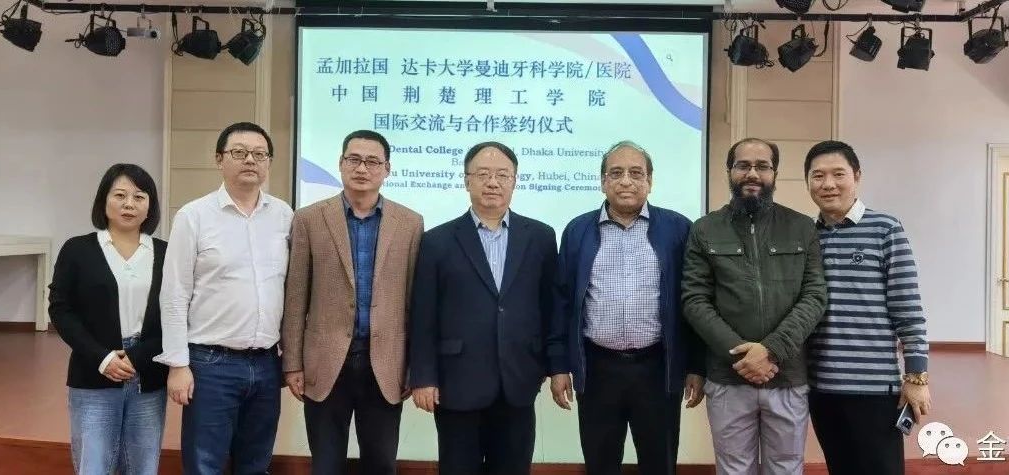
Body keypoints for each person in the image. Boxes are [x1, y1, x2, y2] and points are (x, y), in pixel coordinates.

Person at [548, 140, 705, 475]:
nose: (626, 181)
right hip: (597, 368)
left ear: (650, 181)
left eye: (636, 173)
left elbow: (693, 301)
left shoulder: (678, 229)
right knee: (600, 463)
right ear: (603, 181)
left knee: (659, 463)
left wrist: (696, 365)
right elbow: (561, 302)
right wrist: (559, 366)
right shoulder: (577, 231)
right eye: (616, 173)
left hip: (657, 367)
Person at [407, 141, 563, 475]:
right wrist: (423, 377)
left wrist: (556, 367)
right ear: (467, 181)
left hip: (519, 380)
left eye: (502, 175)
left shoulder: (540, 237)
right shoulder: (437, 241)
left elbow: (551, 308)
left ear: (514, 181)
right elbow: (423, 315)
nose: (493, 182)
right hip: (456, 382)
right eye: (483, 174)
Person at [281, 130, 424, 475]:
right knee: (326, 464)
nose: (362, 168)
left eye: (372, 161)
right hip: (325, 362)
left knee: (381, 463)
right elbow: (296, 297)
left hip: (386, 364)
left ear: (387, 169)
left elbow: (414, 303)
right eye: (354, 159)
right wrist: (292, 363)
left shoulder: (410, 223)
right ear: (341, 163)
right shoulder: (309, 219)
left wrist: (414, 366)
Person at [681, 137, 827, 475]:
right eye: (743, 165)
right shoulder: (705, 229)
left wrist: (771, 350)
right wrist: (742, 356)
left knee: (786, 468)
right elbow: (694, 299)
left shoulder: (802, 227)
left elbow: (815, 295)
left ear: (775, 173)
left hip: (787, 375)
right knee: (733, 469)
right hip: (728, 376)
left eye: (762, 166)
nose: (752, 173)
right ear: (729, 172)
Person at [154, 122, 293, 475]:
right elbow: (174, 294)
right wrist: (177, 364)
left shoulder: (284, 215)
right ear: (219, 159)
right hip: (211, 364)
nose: (250, 160)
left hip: (266, 363)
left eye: (260, 154)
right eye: (239, 152)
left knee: (256, 463)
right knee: (205, 465)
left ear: (269, 162)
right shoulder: (194, 216)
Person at [803, 140, 930, 475]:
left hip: (874, 390)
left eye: (838, 174)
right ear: (808, 182)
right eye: (818, 176)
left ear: (856, 176)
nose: (828, 184)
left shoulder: (885, 229)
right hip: (821, 388)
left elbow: (908, 308)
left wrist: (916, 377)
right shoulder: (806, 236)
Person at [48, 163, 168, 475]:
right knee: (94, 465)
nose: (129, 204)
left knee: (143, 466)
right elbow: (61, 309)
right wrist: (102, 358)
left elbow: (177, 314)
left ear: (150, 206)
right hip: (93, 370)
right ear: (104, 201)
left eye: (139, 197)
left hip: (148, 373)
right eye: (120, 195)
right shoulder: (78, 249)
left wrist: (137, 357)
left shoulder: (166, 253)